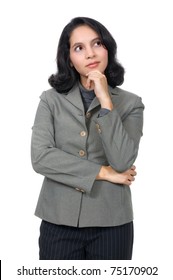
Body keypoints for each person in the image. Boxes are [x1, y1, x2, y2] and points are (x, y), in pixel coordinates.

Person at [31, 16, 144, 260]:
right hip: (57, 220)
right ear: (69, 59)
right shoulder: (50, 100)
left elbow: (123, 161)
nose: (90, 54)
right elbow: (41, 158)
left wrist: (106, 101)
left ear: (108, 50)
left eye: (97, 44)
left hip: (112, 222)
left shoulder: (131, 104)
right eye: (79, 48)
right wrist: (104, 173)